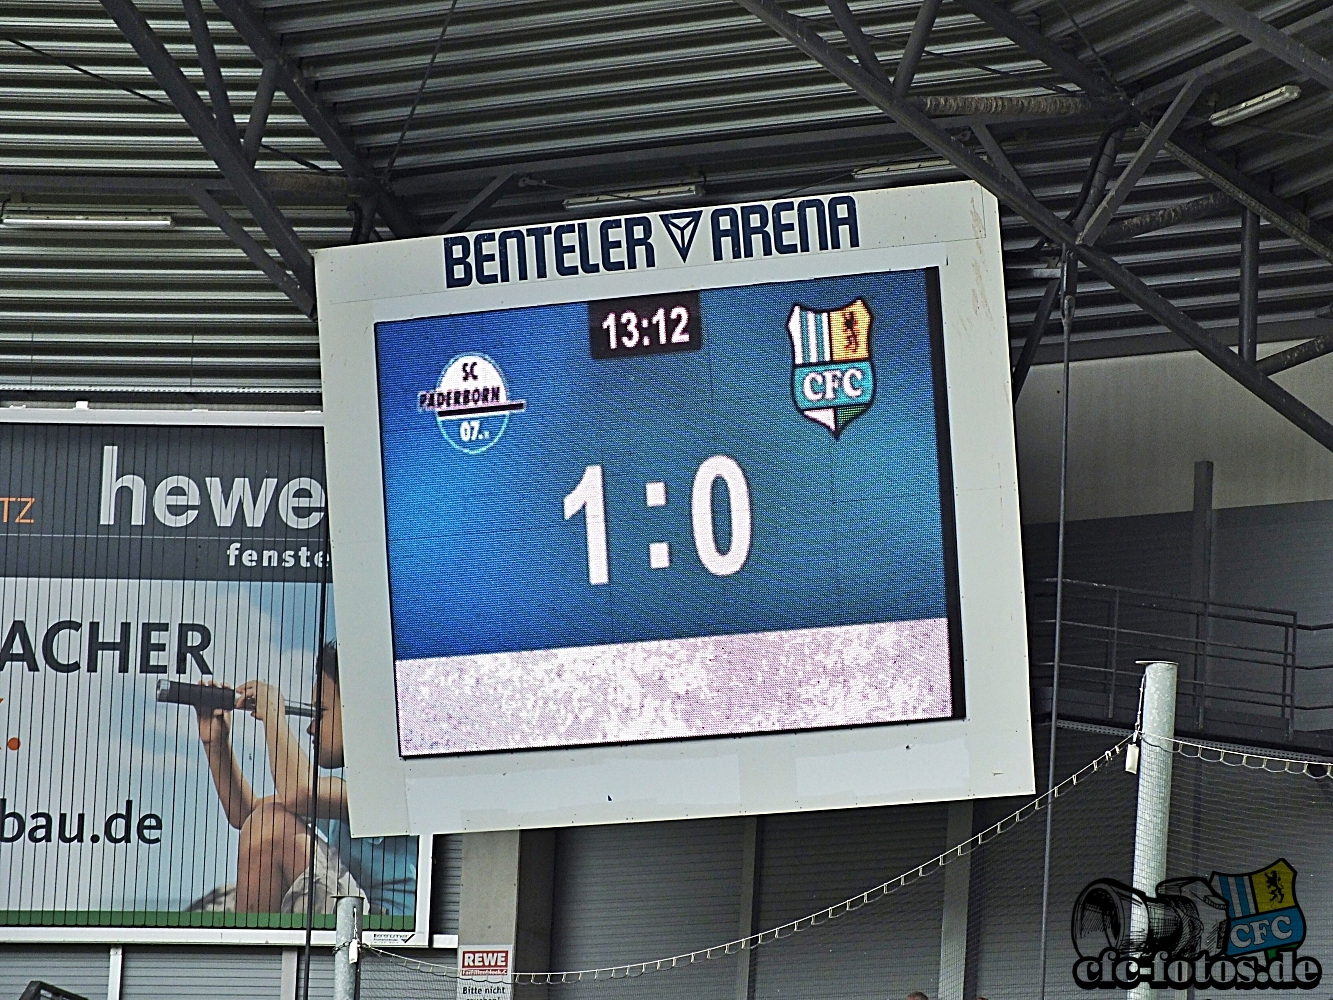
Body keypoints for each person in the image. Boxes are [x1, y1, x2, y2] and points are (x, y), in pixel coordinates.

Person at [195, 642, 416, 915]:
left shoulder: (398, 784)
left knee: (273, 826)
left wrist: (274, 714)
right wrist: (215, 742)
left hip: (388, 936)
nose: (310, 728)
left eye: (319, 712)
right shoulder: (342, 793)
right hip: (356, 917)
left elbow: (299, 792)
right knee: (267, 822)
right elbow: (250, 815)